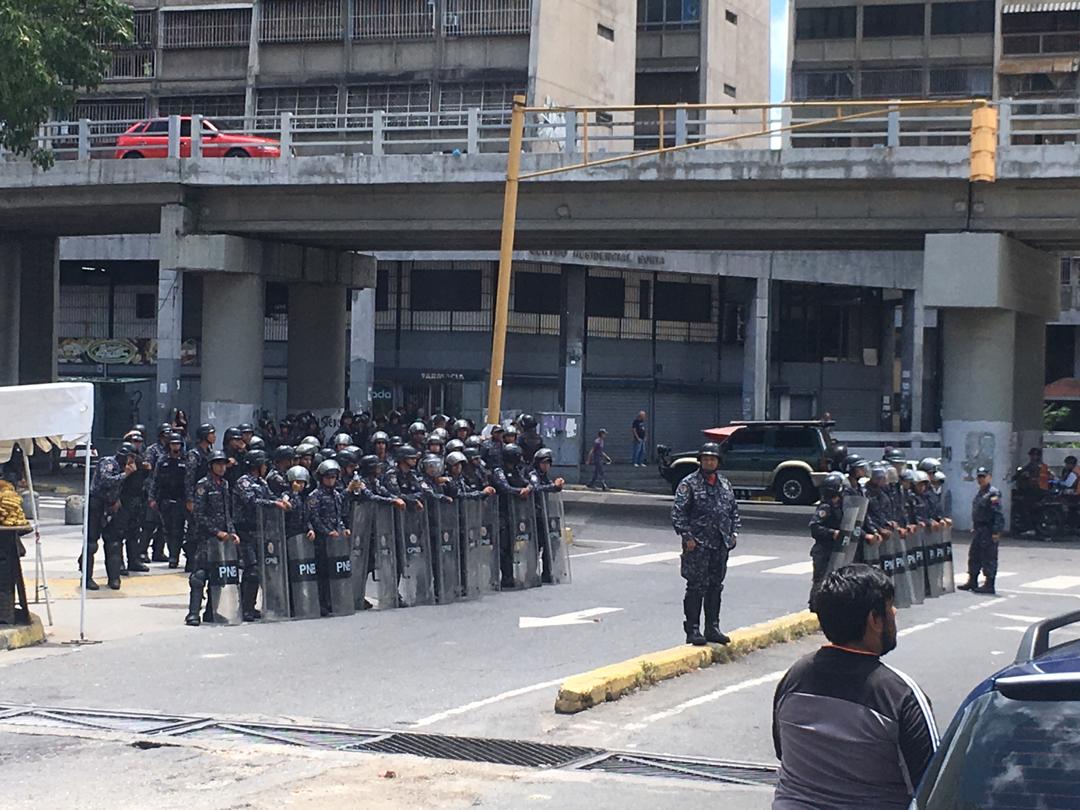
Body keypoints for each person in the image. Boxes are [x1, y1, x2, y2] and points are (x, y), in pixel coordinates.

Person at [772, 564, 939, 810]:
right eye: (890, 607)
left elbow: (783, 753)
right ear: (874, 620)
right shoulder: (899, 694)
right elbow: (934, 785)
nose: (894, 612)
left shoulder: (794, 678)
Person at [671, 442, 740, 646]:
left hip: (720, 544)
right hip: (698, 545)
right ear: (700, 461)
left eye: (713, 459)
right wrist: (687, 536)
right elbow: (678, 513)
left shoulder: (725, 484)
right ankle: (693, 629)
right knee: (696, 587)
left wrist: (733, 533)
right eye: (706, 459)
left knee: (715, 587)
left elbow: (733, 510)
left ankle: (713, 627)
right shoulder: (689, 483)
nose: (709, 462)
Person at [233, 450, 289, 622]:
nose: (266, 467)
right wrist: (275, 504)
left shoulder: (262, 482)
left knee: (263, 570)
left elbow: (272, 497)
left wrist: (284, 498)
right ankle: (246, 607)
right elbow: (251, 502)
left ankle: (255, 605)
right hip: (245, 531)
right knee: (252, 570)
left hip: (261, 532)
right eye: (263, 464)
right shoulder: (244, 482)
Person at [185, 450, 237, 627]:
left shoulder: (225, 485)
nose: (222, 467)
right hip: (205, 538)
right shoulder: (203, 485)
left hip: (222, 538)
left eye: (224, 464)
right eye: (218, 464)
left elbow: (227, 512)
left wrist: (231, 531)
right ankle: (193, 613)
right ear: (211, 466)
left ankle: (211, 611)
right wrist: (216, 532)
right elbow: (199, 514)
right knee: (199, 576)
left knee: (219, 575)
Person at [83, 442, 138, 591]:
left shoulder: (127, 468)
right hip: (97, 503)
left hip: (112, 505)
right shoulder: (108, 463)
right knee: (91, 543)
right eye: (130, 457)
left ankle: (114, 577)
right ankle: (86, 578)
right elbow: (107, 480)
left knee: (114, 543)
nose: (132, 460)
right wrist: (125, 474)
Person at [307, 459, 350, 616]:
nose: (330, 480)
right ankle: (323, 604)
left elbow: (339, 516)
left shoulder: (337, 495)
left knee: (336, 571)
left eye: (333, 477)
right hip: (322, 540)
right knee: (323, 573)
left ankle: (336, 601)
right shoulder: (315, 496)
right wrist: (326, 531)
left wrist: (344, 529)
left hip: (336, 540)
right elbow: (314, 518)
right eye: (328, 477)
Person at [492, 443, 532, 589]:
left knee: (510, 545)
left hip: (513, 513)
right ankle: (499, 577)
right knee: (501, 547)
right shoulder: (499, 471)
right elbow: (504, 488)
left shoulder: (515, 470)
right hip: (499, 513)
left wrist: (527, 488)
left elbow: (527, 483)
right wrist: (519, 491)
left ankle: (509, 576)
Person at [959, 466, 1004, 594]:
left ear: (989, 477)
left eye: (983, 477)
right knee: (974, 556)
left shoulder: (993, 494)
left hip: (988, 530)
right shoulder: (981, 492)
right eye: (979, 476)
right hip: (979, 529)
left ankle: (989, 584)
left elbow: (998, 514)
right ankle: (972, 580)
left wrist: (996, 532)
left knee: (989, 557)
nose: (980, 479)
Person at [148, 433, 187, 569]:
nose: (175, 446)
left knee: (178, 530)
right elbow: (155, 480)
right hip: (165, 500)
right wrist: (152, 497)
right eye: (172, 444)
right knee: (167, 530)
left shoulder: (186, 460)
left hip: (181, 499)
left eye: (177, 444)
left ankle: (175, 556)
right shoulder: (162, 460)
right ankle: (172, 554)